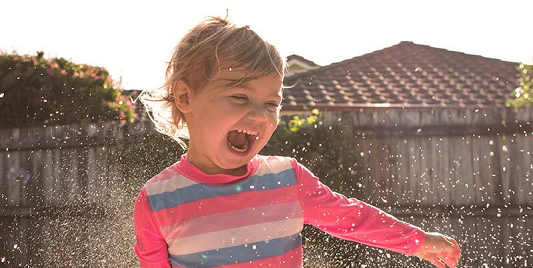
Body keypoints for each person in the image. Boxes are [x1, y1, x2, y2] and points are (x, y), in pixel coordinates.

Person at [133, 14, 461, 268]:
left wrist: (417, 241)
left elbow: (353, 218)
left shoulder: (286, 179)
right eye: (239, 97)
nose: (261, 115)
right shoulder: (157, 201)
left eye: (271, 103)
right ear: (186, 96)